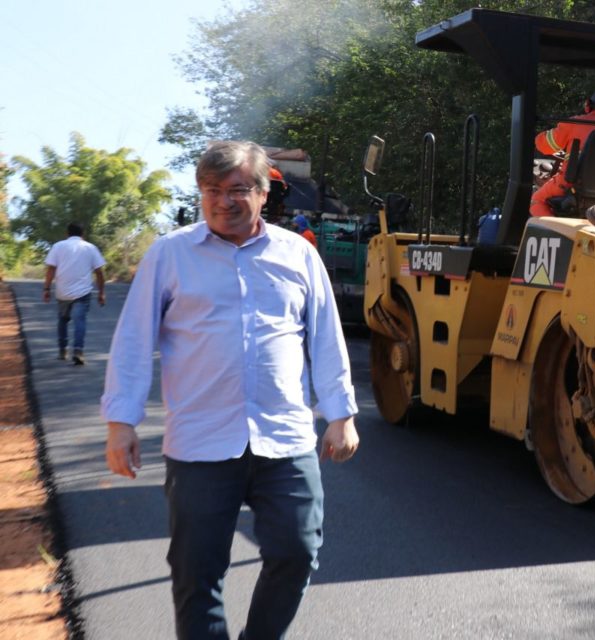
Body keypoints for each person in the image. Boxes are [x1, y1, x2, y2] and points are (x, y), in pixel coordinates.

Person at [101, 140, 359, 640]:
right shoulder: (170, 255)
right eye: (211, 190)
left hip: (284, 439)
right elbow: (133, 340)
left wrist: (340, 414)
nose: (223, 200)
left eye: (237, 188)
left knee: (297, 551)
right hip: (200, 442)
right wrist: (121, 423)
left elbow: (326, 337)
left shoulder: (298, 254)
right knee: (197, 572)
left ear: (263, 193)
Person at [530, 90, 595, 217]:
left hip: (571, 188)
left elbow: (545, 146)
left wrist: (538, 135)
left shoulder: (575, 123)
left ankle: (559, 232)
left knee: (536, 200)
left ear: (588, 105)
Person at [43, 222, 107, 365]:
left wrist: (46, 289)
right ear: (82, 234)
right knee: (80, 321)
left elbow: (50, 270)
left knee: (63, 320)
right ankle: (78, 351)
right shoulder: (91, 248)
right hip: (82, 293)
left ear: (67, 233)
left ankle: (62, 350)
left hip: (62, 292)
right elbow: (99, 273)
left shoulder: (58, 246)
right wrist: (101, 292)